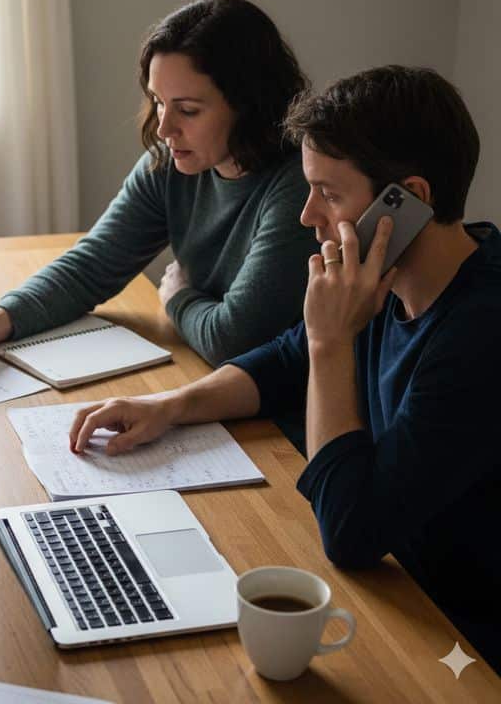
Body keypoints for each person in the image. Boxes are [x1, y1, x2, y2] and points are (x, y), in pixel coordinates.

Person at [67, 66, 501, 675]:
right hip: (395, 591)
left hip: (458, 643)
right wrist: (169, 407)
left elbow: (351, 533)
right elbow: (283, 360)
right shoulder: (386, 278)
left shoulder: (480, 334)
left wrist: (330, 341)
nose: (307, 215)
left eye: (329, 194)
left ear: (409, 201)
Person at [0, 0, 317, 369]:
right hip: (210, 373)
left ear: (248, 105)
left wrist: (178, 297)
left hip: (284, 399)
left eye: (187, 110)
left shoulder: (301, 187)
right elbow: (91, 266)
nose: (164, 128)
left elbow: (234, 340)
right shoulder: (169, 165)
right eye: (159, 102)